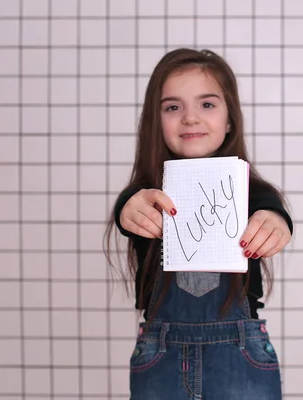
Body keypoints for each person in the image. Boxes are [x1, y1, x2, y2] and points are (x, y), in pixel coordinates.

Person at [103, 48, 293, 399]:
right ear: (155, 121)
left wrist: (274, 221)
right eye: (173, 107)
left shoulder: (254, 192)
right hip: (161, 358)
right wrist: (128, 209)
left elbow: (270, 209)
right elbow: (128, 209)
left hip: (239, 357)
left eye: (207, 104)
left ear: (230, 119)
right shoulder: (148, 194)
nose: (190, 118)